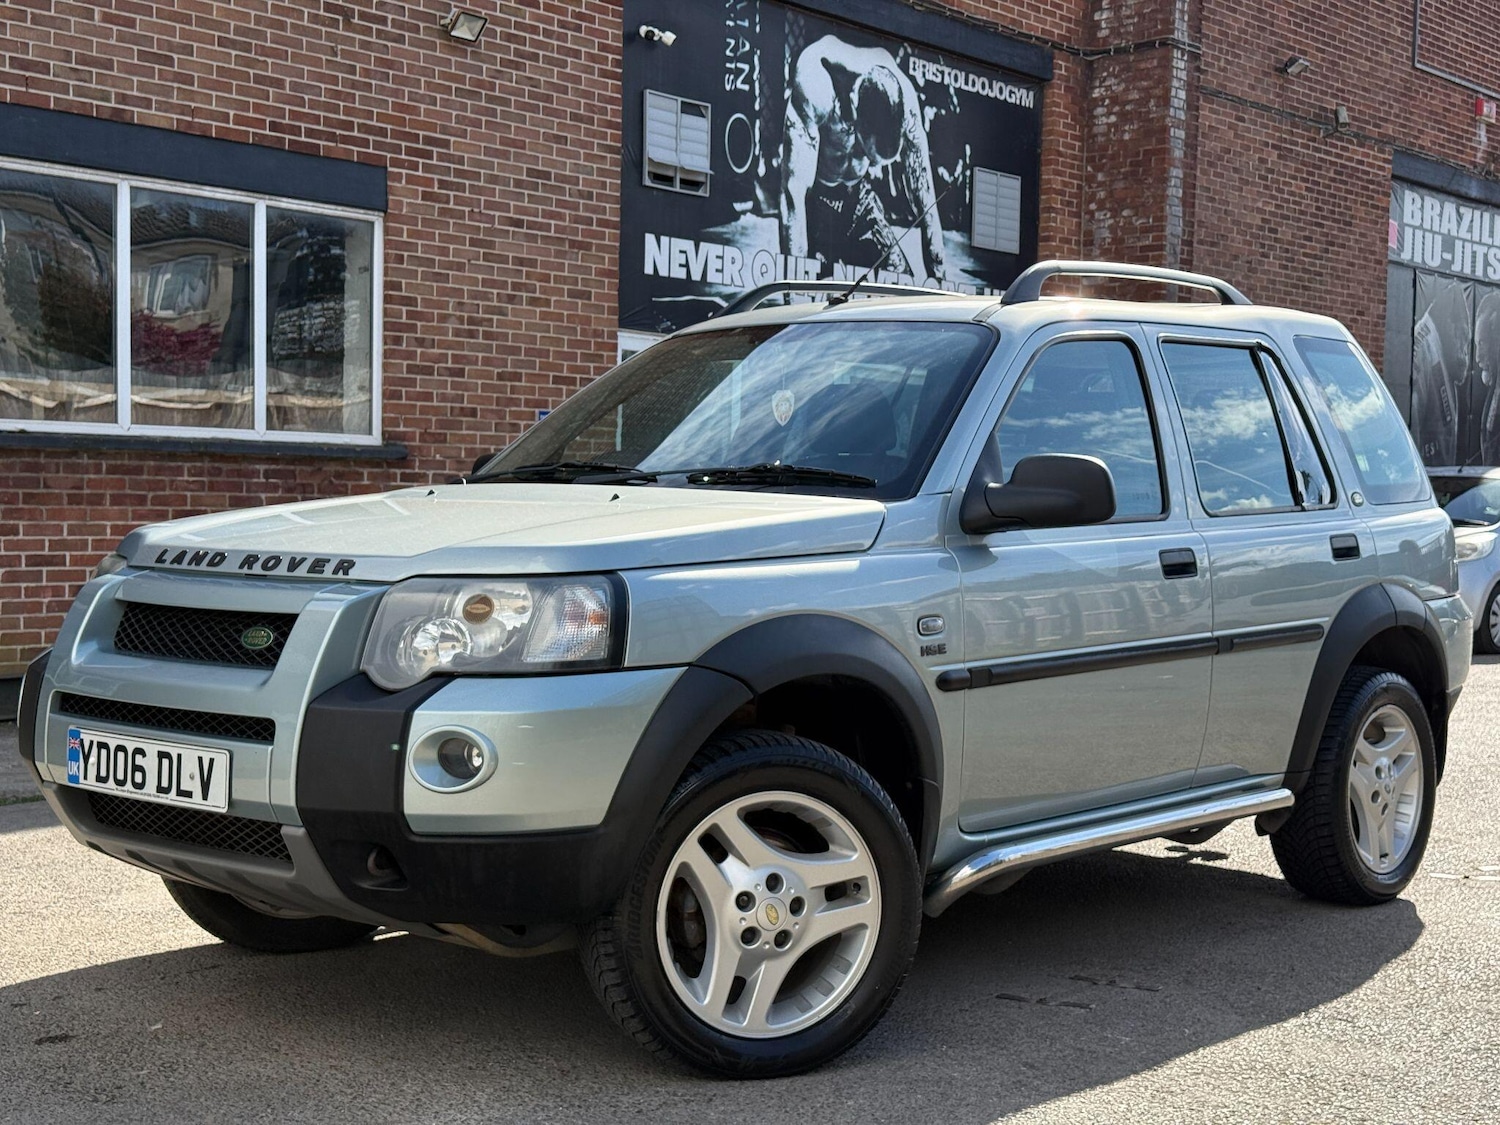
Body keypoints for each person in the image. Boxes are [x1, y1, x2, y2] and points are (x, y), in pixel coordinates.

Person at [780, 35, 946, 281]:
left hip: (859, 198)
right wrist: (792, 304)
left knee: (900, 285)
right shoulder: (817, 85)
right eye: (867, 152)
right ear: (855, 113)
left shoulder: (905, 99)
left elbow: (927, 202)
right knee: (821, 301)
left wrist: (940, 281)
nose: (872, 165)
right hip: (817, 203)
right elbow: (793, 195)